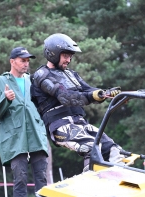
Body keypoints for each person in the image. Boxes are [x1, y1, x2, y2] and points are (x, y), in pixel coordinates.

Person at [30, 33, 124, 172]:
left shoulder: (70, 74)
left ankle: (120, 180)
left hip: (80, 123)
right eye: (66, 56)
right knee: (91, 148)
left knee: (112, 148)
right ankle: (90, 181)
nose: (68, 60)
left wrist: (105, 93)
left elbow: (88, 90)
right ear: (53, 54)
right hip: (60, 126)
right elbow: (65, 97)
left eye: (70, 56)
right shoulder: (42, 75)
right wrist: (93, 96)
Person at [0, 47, 49, 197]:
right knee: (20, 178)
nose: (26, 64)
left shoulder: (33, 81)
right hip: (15, 139)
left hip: (36, 135)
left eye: (27, 60)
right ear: (12, 61)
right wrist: (5, 99)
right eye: (22, 60)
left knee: (41, 177)